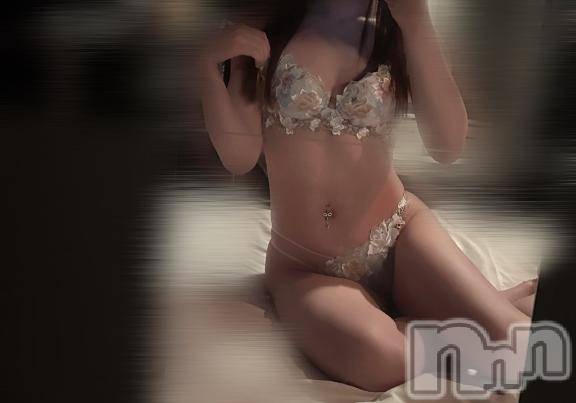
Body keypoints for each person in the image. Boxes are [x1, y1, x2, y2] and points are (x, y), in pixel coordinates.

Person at [197, 0, 537, 392]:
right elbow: (239, 157)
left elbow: (448, 147)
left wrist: (416, 21)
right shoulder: (264, 26)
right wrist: (206, 65)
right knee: (384, 360)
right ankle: (464, 310)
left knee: (521, 346)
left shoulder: (399, 27)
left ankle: (455, 311)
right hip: (305, 266)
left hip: (399, 234)